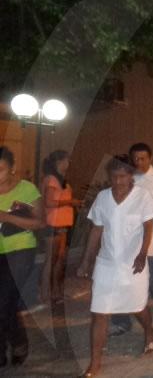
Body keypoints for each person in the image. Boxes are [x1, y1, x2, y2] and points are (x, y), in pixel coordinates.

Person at [76, 155, 153, 377]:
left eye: (122, 176)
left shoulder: (143, 197)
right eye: (114, 176)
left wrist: (143, 254)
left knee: (137, 306)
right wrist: (86, 260)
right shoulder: (103, 198)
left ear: (131, 176)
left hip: (134, 262)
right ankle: (95, 362)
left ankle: (150, 332)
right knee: (100, 312)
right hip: (106, 263)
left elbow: (149, 226)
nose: (118, 181)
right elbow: (96, 230)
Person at [110, 143, 153, 336]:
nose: (138, 162)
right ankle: (121, 321)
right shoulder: (126, 179)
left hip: (151, 242)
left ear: (151, 159)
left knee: (152, 281)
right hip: (125, 242)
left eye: (143, 158)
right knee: (122, 280)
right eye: (135, 158)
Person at [0, 147, 44, 367]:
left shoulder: (27, 189)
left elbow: (39, 223)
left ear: (12, 168)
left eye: (0, 169)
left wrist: (6, 217)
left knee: (4, 300)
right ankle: (19, 342)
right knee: (6, 304)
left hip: (20, 249)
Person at [39, 150, 82, 304]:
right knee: (51, 261)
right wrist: (71, 202)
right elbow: (49, 202)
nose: (69, 163)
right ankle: (45, 294)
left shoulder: (61, 180)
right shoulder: (51, 179)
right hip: (52, 224)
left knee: (59, 261)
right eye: (67, 160)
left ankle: (56, 292)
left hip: (62, 224)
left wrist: (73, 204)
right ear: (59, 162)